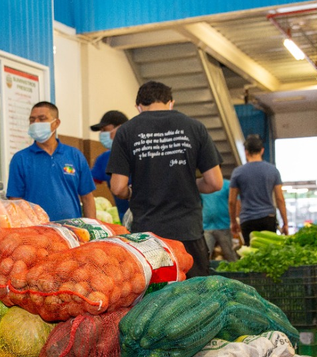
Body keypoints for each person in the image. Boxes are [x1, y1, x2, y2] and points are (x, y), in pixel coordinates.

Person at [107, 81, 223, 277]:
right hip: (188, 232)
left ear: (138, 106)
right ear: (171, 103)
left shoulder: (126, 131)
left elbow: (118, 188)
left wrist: (132, 192)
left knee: (155, 292)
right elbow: (215, 182)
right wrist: (189, 183)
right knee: (194, 291)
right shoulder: (195, 127)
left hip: (147, 235)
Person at [7, 101, 96, 221]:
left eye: (42, 119)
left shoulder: (75, 155)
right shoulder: (20, 159)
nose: (35, 123)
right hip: (36, 229)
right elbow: (15, 200)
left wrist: (92, 227)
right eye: (32, 120)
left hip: (71, 228)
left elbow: (87, 198)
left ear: (56, 123)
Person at [229, 134, 288, 245]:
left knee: (251, 252)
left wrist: (233, 222)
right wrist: (285, 223)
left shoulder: (238, 172)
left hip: (248, 220)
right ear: (262, 150)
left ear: (246, 152)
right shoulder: (273, 170)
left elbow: (232, 201)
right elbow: (280, 199)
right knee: (269, 251)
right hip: (268, 218)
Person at [89, 110, 130, 218]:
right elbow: (87, 183)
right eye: (101, 131)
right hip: (124, 217)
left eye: (105, 130)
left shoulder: (139, 152)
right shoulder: (104, 159)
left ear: (121, 128)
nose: (102, 134)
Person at [202, 179, 238, 262]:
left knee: (229, 254)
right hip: (206, 226)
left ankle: (236, 269)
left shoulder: (227, 185)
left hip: (223, 225)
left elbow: (234, 202)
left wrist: (235, 219)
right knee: (205, 255)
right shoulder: (202, 186)